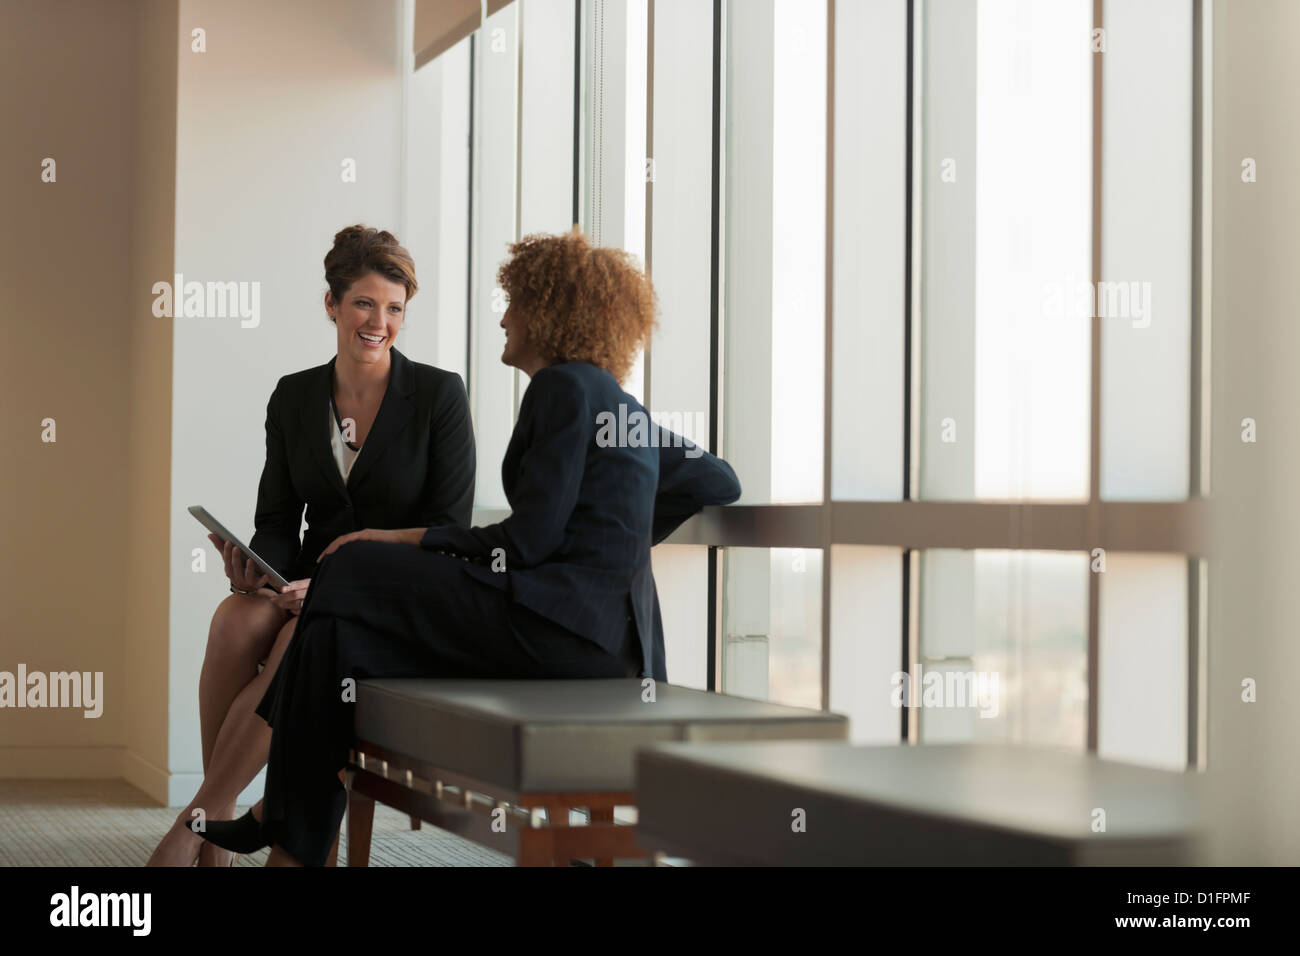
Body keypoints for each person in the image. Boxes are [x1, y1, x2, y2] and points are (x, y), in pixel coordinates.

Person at [199, 227, 741, 867]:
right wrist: (605, 536)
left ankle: (277, 811)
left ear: (546, 312)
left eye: (513, 302)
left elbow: (528, 540)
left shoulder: (564, 388)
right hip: (588, 634)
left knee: (348, 563)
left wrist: (399, 536)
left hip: (564, 633)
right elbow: (716, 479)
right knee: (335, 637)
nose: (504, 317)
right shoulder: (604, 396)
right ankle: (288, 838)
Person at [147, 225, 475, 866]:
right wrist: (256, 566)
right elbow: (277, 517)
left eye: (394, 308)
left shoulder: (439, 396)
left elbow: (449, 534)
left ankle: (199, 823)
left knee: (304, 638)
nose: (378, 322)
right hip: (299, 582)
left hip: (391, 602)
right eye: (363, 303)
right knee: (234, 619)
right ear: (331, 303)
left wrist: (329, 590)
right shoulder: (295, 395)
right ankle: (217, 830)